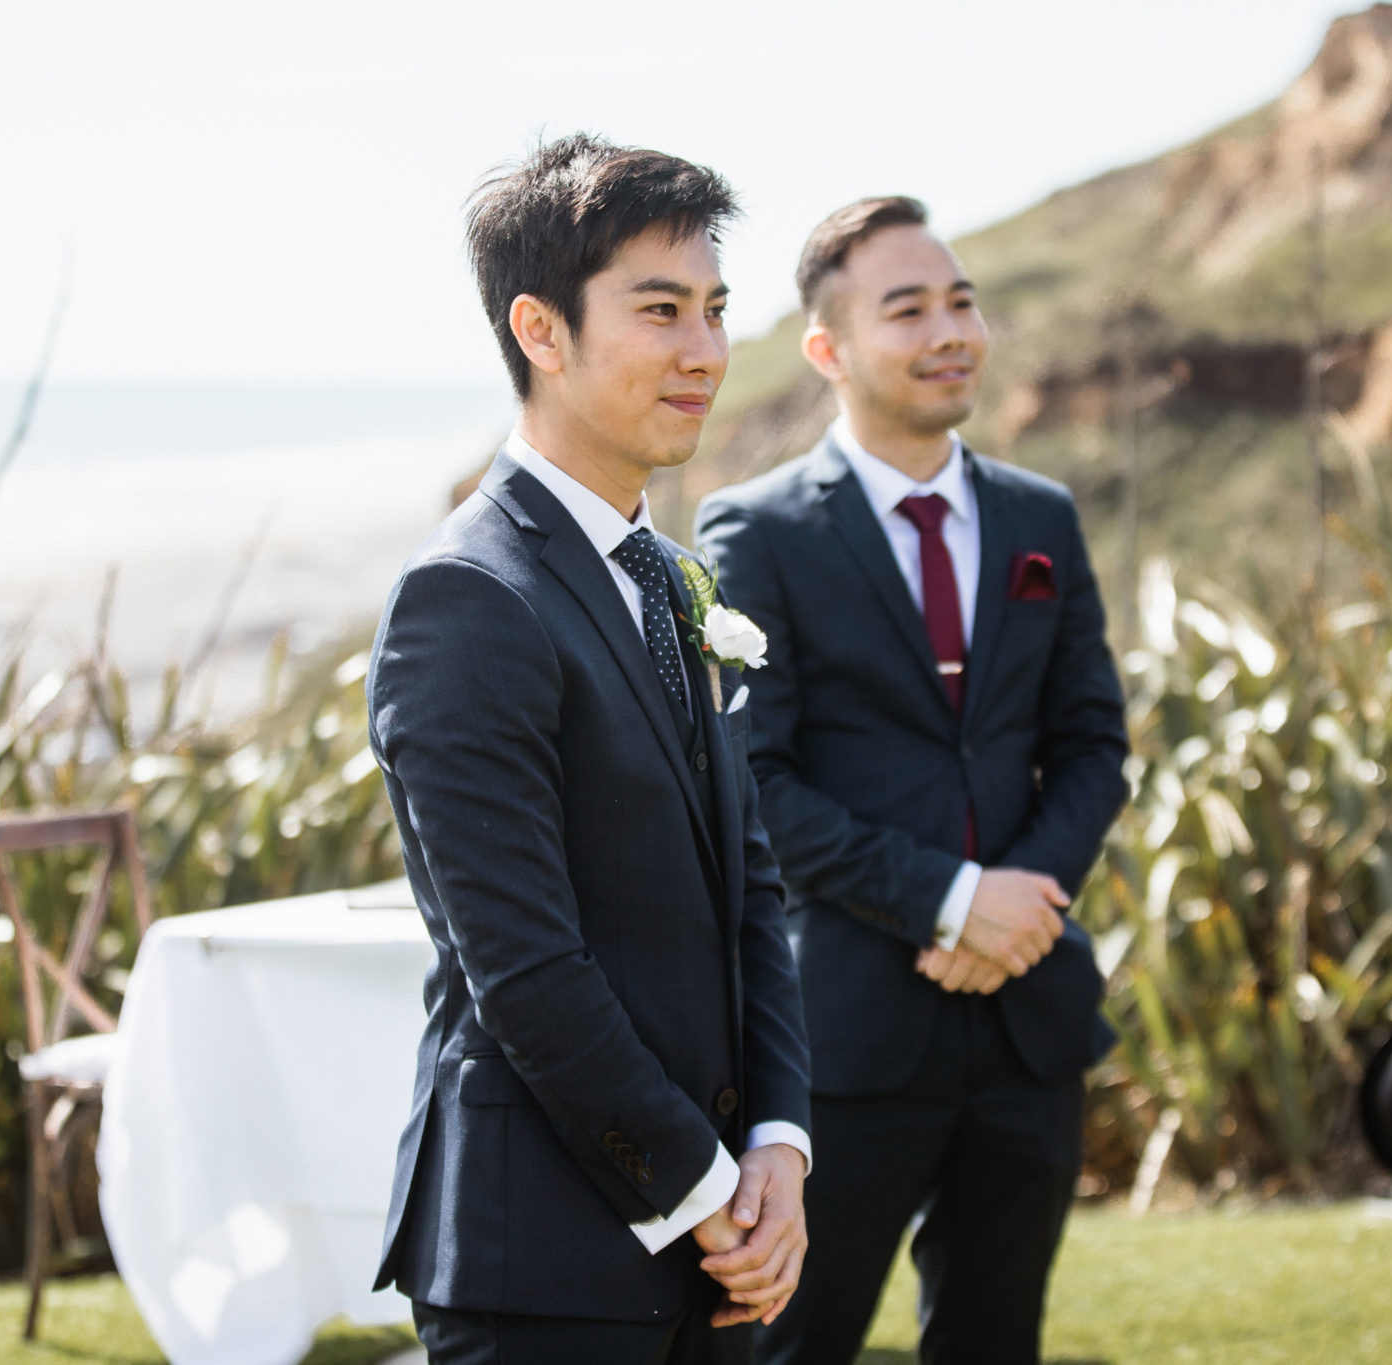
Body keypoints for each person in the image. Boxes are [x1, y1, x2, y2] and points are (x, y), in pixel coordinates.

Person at [366, 134, 812, 1365]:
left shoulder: (671, 580)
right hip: (547, 1265)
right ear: (540, 331)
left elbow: (749, 887)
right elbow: (523, 967)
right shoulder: (465, 597)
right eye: (660, 311)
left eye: (717, 311)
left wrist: (778, 1143)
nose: (706, 352)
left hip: (724, 1254)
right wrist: (700, 1186)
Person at [695, 196, 1127, 1365]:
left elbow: (1092, 741)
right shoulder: (756, 532)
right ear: (828, 350)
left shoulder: (1039, 517)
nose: (952, 330)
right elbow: (757, 783)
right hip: (845, 1034)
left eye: (961, 300)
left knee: (996, 1342)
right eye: (909, 309)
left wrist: (1018, 902)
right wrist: (946, 901)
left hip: (1027, 1019)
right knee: (790, 1344)